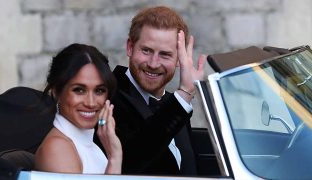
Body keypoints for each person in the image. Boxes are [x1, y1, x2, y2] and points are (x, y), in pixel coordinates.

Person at [100, 6, 206, 175]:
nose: (153, 63)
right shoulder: (107, 98)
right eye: (146, 50)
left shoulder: (176, 104)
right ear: (129, 47)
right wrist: (184, 93)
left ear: (180, 59)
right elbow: (133, 161)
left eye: (165, 54)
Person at [35, 43, 122, 174]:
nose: (91, 103)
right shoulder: (57, 148)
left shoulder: (88, 145)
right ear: (56, 92)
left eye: (99, 90)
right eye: (79, 90)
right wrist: (115, 159)